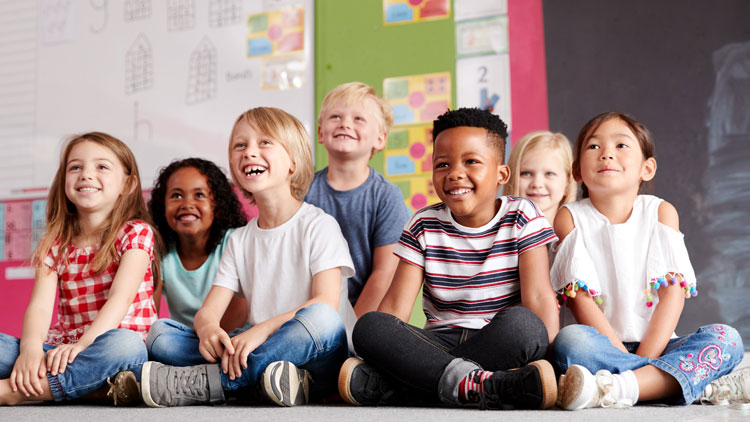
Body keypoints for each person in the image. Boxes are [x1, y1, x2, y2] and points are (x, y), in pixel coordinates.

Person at [339, 108, 560, 410]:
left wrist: (552, 363)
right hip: (436, 343)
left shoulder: (522, 216)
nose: (455, 173)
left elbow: (538, 296)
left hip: (498, 339)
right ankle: (490, 385)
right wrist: (381, 344)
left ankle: (403, 388)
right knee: (370, 327)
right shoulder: (423, 224)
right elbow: (394, 309)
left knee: (525, 326)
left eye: (471, 162)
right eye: (443, 164)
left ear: (501, 174)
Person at [140, 107, 355, 408]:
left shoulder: (319, 225)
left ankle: (212, 384)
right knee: (161, 335)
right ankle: (263, 382)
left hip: (318, 354)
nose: (249, 152)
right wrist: (209, 331)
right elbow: (208, 312)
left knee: (322, 319)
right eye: (240, 145)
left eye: (264, 143)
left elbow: (325, 304)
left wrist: (261, 331)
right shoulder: (239, 239)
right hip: (261, 350)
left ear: (293, 162)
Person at [550, 112, 744, 409]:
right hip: (601, 349)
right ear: (577, 171)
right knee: (570, 342)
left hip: (660, 346)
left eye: (621, 146)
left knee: (727, 339)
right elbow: (581, 301)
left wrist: (647, 358)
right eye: (593, 147)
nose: (607, 154)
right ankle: (674, 384)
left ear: (647, 168)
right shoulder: (570, 217)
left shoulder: (661, 212)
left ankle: (621, 387)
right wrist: (637, 364)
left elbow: (672, 296)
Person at [0, 132, 162, 406]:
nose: (86, 174)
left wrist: (85, 345)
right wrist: (30, 350)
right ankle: (93, 388)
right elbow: (39, 307)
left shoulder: (136, 233)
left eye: (101, 167)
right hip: (62, 351)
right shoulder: (55, 242)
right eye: (75, 167)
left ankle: (19, 391)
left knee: (125, 346)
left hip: (112, 348)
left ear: (129, 183)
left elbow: (119, 300)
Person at [305, 82, 411, 317]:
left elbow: (384, 273)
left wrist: (350, 331)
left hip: (361, 316)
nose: (345, 124)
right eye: (335, 116)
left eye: (358, 119)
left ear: (380, 139)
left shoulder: (386, 196)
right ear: (321, 132)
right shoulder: (303, 190)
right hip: (310, 312)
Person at [146, 158, 248, 352]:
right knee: (159, 336)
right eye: (176, 196)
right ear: (162, 205)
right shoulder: (159, 251)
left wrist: (212, 343)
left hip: (232, 338)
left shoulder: (234, 241)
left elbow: (238, 315)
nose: (187, 204)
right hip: (187, 342)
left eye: (199, 195)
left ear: (217, 204)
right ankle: (202, 372)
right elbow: (151, 312)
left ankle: (198, 371)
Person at [502, 130, 577, 224]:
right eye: (526, 173)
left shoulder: (580, 235)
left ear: (567, 183)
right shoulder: (497, 235)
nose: (537, 184)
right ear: (511, 178)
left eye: (549, 174)